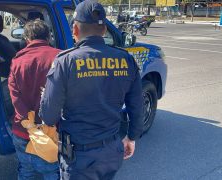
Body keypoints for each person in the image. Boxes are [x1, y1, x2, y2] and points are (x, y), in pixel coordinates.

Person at [39, 0, 144, 179]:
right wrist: (131, 138)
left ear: (75, 30)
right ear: (104, 31)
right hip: (112, 150)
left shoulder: (65, 61)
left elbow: (49, 117)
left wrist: (47, 98)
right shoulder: (125, 59)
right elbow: (137, 106)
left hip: (79, 157)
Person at [8, 19, 61, 180]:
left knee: (26, 170)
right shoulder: (60, 58)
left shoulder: (17, 61)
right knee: (52, 172)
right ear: (48, 37)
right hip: (51, 130)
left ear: (27, 40)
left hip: (22, 131)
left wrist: (28, 122)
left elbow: (15, 96)